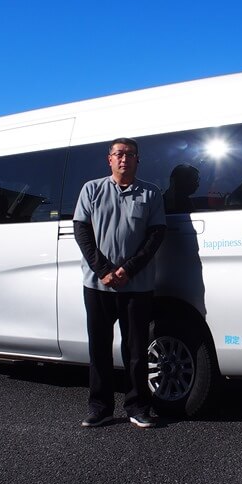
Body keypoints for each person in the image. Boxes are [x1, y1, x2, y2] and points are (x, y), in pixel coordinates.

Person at [73, 137, 167, 428]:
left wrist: (128, 269)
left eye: (130, 154)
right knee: (99, 348)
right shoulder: (92, 189)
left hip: (137, 286)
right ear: (109, 159)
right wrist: (103, 269)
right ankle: (99, 408)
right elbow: (82, 232)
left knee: (136, 350)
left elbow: (155, 236)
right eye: (118, 154)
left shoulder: (150, 193)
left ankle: (137, 406)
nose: (124, 159)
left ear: (138, 160)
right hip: (98, 284)